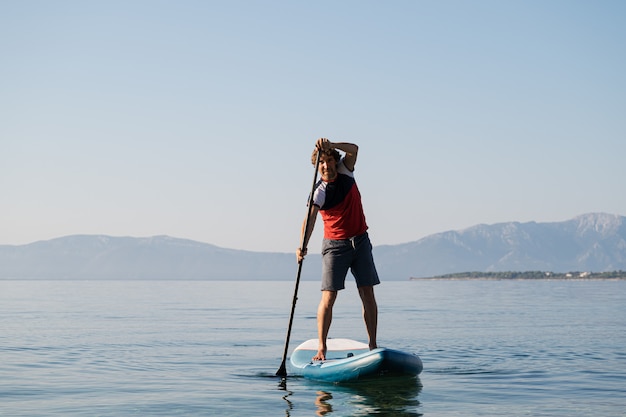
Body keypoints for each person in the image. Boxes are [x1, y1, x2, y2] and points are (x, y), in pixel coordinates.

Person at [297, 137, 380, 361]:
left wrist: (331, 144)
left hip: (360, 241)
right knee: (328, 297)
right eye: (321, 163)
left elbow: (354, 150)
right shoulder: (319, 191)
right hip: (335, 247)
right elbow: (310, 219)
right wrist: (302, 246)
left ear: (335, 161)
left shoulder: (346, 171)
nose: (326, 166)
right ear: (318, 166)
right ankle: (321, 348)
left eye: (329, 161)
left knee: (367, 293)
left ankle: (373, 345)